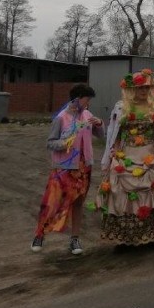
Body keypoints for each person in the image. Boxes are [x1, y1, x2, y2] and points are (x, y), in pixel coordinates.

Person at [97, 70, 154, 250]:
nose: (144, 90)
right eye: (140, 87)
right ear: (132, 88)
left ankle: (152, 236)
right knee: (122, 194)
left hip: (151, 156)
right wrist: (113, 153)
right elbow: (116, 135)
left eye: (147, 87)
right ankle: (125, 238)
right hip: (127, 155)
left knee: (152, 193)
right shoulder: (122, 108)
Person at [32, 83, 105, 255]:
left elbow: (101, 135)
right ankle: (39, 234)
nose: (88, 104)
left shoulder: (87, 115)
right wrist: (64, 144)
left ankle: (75, 239)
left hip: (84, 168)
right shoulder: (61, 117)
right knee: (53, 202)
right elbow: (50, 142)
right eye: (87, 99)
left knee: (78, 204)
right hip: (64, 169)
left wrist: (100, 123)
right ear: (77, 98)